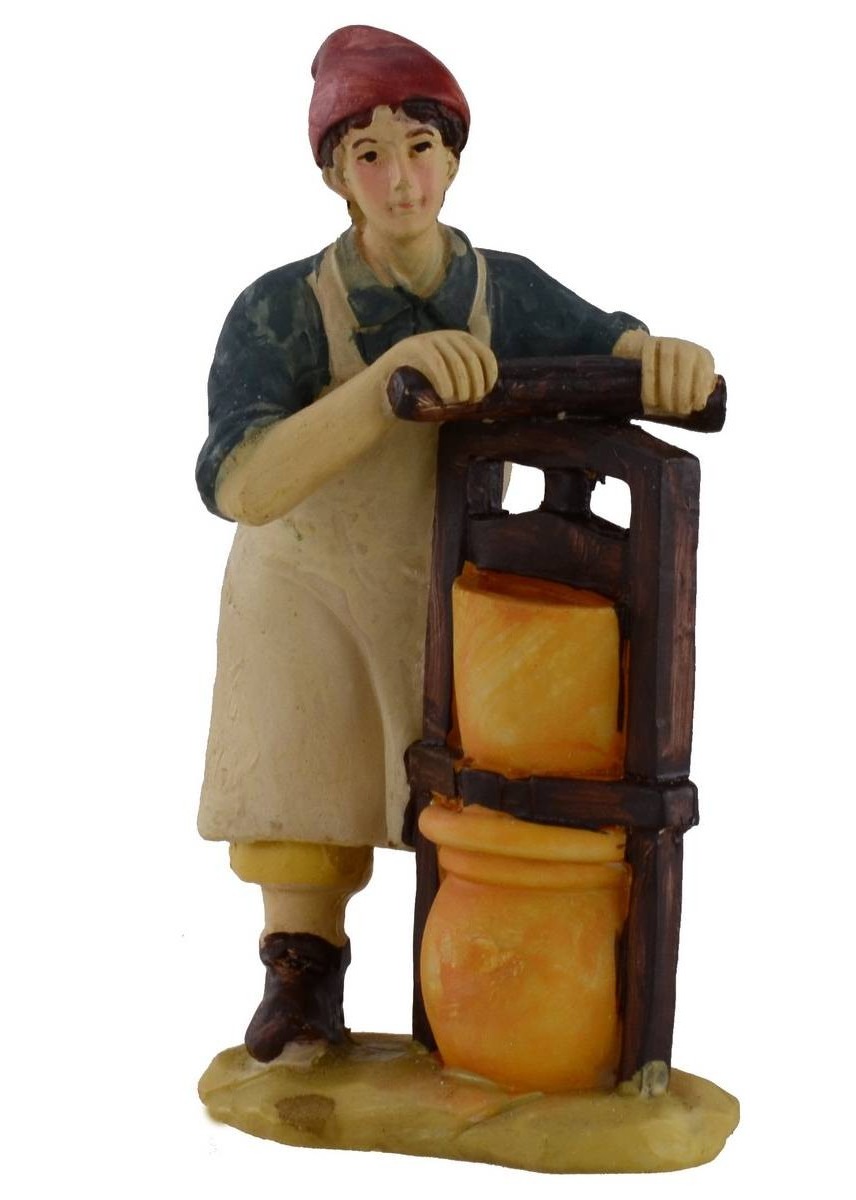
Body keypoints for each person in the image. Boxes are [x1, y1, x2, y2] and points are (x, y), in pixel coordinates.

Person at [195, 25, 717, 1062]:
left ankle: (492, 1002)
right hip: (306, 588)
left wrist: (661, 359)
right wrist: (381, 391)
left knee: (474, 796)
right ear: (337, 176)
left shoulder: (498, 289)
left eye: (420, 148)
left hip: (444, 584)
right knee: (306, 783)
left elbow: (606, 342)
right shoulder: (282, 309)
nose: (400, 179)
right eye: (370, 154)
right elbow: (241, 482)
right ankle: (301, 972)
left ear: (454, 158)